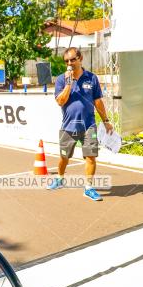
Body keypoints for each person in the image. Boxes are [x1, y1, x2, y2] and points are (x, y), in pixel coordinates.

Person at [48, 47, 114, 201]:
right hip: (68, 126)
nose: (69, 63)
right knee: (64, 157)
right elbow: (60, 101)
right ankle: (60, 178)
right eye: (66, 61)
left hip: (88, 125)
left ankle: (89, 188)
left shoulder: (91, 78)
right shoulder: (61, 79)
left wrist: (106, 121)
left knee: (91, 157)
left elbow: (98, 102)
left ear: (80, 58)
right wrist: (69, 84)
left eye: (72, 59)